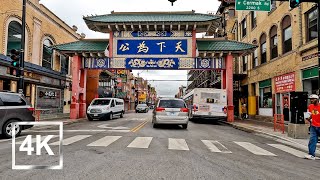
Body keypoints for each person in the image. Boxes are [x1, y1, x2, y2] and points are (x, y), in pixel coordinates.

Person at [304, 94, 320, 160]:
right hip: (313, 126)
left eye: (313, 99)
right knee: (312, 140)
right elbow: (311, 114)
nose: (311, 100)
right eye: (310, 99)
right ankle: (311, 154)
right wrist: (308, 118)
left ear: (317, 99)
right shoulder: (310, 106)